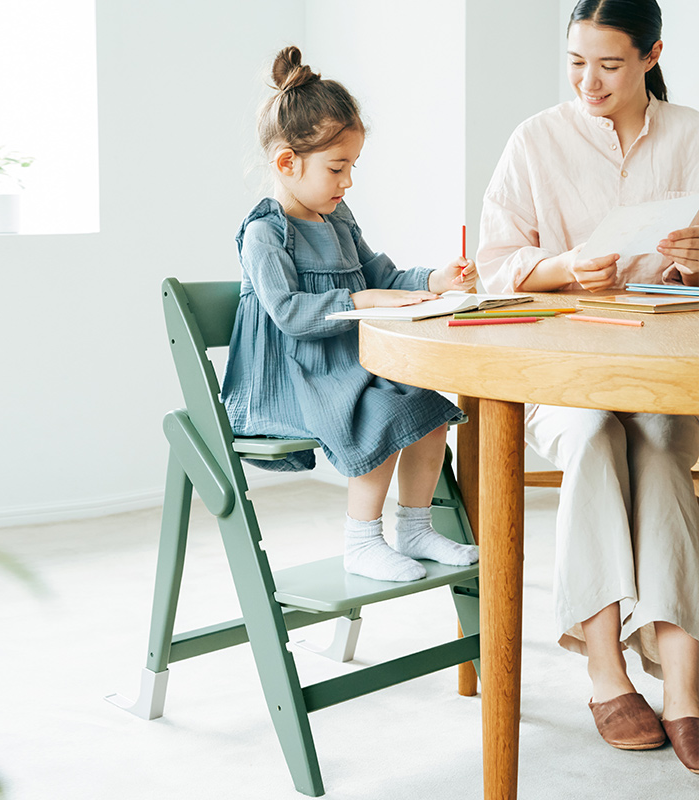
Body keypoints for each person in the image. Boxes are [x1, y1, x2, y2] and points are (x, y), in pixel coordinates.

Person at [477, 0, 699, 774]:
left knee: (667, 442)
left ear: (651, 55)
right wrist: (566, 266)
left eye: (608, 64)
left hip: (660, 373)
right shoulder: (535, 139)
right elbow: (495, 261)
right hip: (562, 377)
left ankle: (682, 685)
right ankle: (606, 673)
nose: (588, 80)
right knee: (596, 434)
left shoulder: (692, 134)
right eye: (576, 61)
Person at [221, 46, 479, 584]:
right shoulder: (266, 232)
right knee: (382, 417)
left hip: (345, 362)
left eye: (352, 167)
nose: (348, 182)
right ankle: (362, 540)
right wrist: (360, 301)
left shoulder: (338, 220)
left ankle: (415, 527)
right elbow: (290, 314)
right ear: (287, 163)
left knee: (430, 414)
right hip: (293, 375)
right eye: (337, 168)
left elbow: (380, 276)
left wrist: (435, 281)